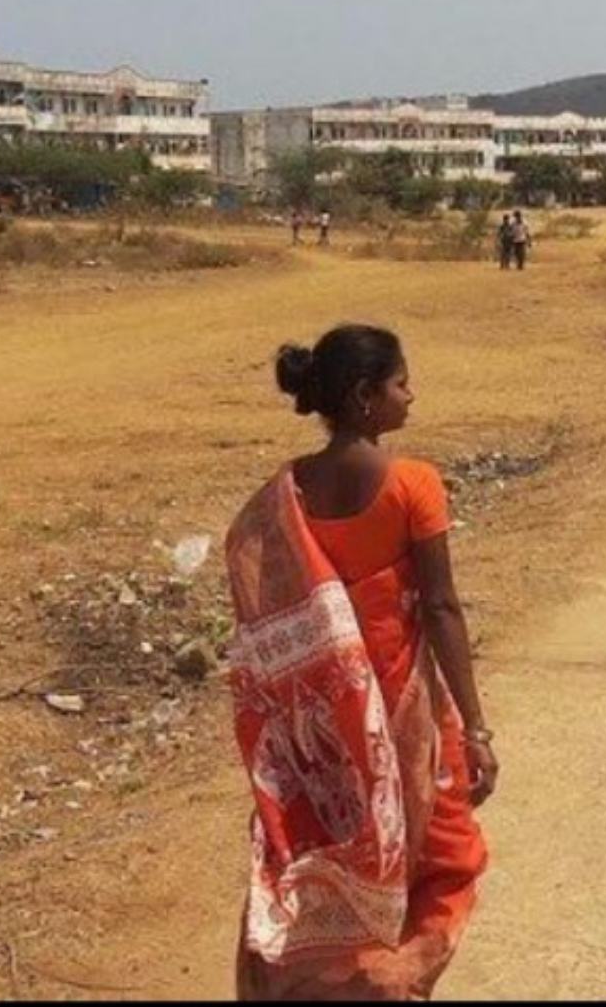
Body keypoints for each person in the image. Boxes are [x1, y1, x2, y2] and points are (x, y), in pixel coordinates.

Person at [226, 324, 496, 1001]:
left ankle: (311, 979)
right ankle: (391, 983)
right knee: (438, 857)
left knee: (325, 848)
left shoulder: (285, 494)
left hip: (322, 722)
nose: (412, 395)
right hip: (404, 709)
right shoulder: (414, 484)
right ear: (365, 397)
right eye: (402, 383)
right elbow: (441, 608)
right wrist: (476, 727)